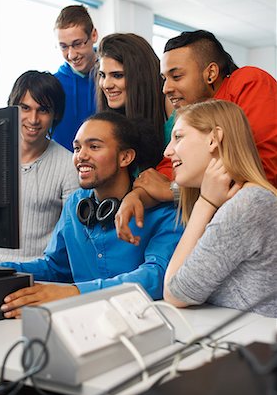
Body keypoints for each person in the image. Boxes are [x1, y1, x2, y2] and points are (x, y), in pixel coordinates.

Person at [0, 112, 183, 318]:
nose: (81, 156)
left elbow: (156, 277)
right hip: (85, 321)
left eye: (94, 147)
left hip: (143, 321)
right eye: (77, 148)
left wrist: (75, 293)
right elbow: (55, 266)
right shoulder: (76, 204)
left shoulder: (164, 211)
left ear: (125, 157)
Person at [115, 29, 277, 243]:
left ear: (210, 73)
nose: (166, 88)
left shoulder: (247, 81)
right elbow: (166, 171)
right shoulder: (190, 116)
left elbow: (261, 171)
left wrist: (173, 191)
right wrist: (137, 196)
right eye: (164, 79)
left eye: (176, 76)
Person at [163, 100, 277, 317]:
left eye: (178, 137)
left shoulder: (248, 204)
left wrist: (205, 203)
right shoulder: (242, 200)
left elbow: (175, 292)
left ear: (214, 139)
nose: (168, 151)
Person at [0, 71, 79, 264]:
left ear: (55, 114)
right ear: (13, 108)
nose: (33, 119)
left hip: (39, 273)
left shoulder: (69, 166)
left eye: (43, 110)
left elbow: (71, 237)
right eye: (25, 108)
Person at [97, 32, 174, 179]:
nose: (106, 84)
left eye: (117, 75)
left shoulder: (170, 108)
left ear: (141, 77)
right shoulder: (112, 120)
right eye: (102, 75)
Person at [53, 5, 98, 151]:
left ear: (94, 35)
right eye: (64, 47)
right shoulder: (53, 85)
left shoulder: (113, 81)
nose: (71, 55)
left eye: (77, 44)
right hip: (62, 171)